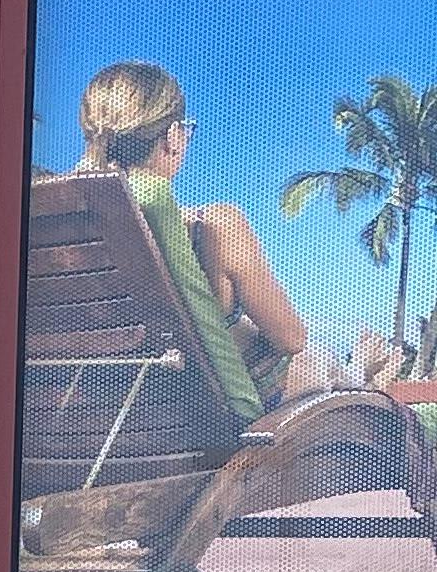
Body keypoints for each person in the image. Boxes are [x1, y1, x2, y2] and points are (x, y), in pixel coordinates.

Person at [76, 59, 340, 414]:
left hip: (107, 406)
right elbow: (291, 337)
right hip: (206, 414)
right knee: (319, 360)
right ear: (172, 137)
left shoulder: (65, 219)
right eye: (186, 129)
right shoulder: (215, 226)